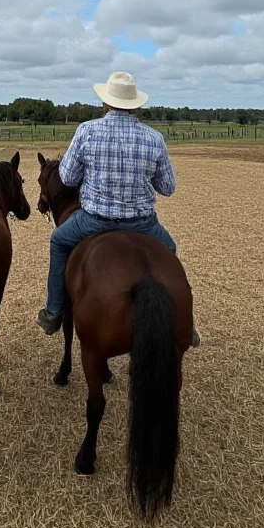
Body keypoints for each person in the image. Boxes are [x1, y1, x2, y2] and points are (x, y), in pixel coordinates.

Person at [37, 71, 201, 346]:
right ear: (135, 105)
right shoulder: (154, 138)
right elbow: (169, 187)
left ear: (106, 103)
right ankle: (186, 322)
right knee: (169, 250)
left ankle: (54, 312)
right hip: (143, 224)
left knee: (58, 241)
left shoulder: (87, 131)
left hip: (93, 220)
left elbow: (66, 178)